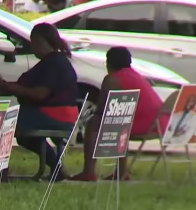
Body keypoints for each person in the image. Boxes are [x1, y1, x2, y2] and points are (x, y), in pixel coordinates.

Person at [0, 23, 78, 181]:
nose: (33, 46)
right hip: (64, 113)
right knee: (25, 136)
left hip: (55, 113)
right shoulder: (55, 61)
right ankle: (56, 166)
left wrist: (11, 88)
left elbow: (39, 94)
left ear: (45, 41)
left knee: (4, 122)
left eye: (35, 42)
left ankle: (0, 170)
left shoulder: (53, 63)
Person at [71, 47, 170, 181]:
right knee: (120, 121)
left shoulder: (112, 79)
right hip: (158, 123)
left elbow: (103, 109)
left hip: (141, 124)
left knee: (94, 124)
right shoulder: (136, 76)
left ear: (109, 63)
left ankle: (89, 171)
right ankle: (121, 172)